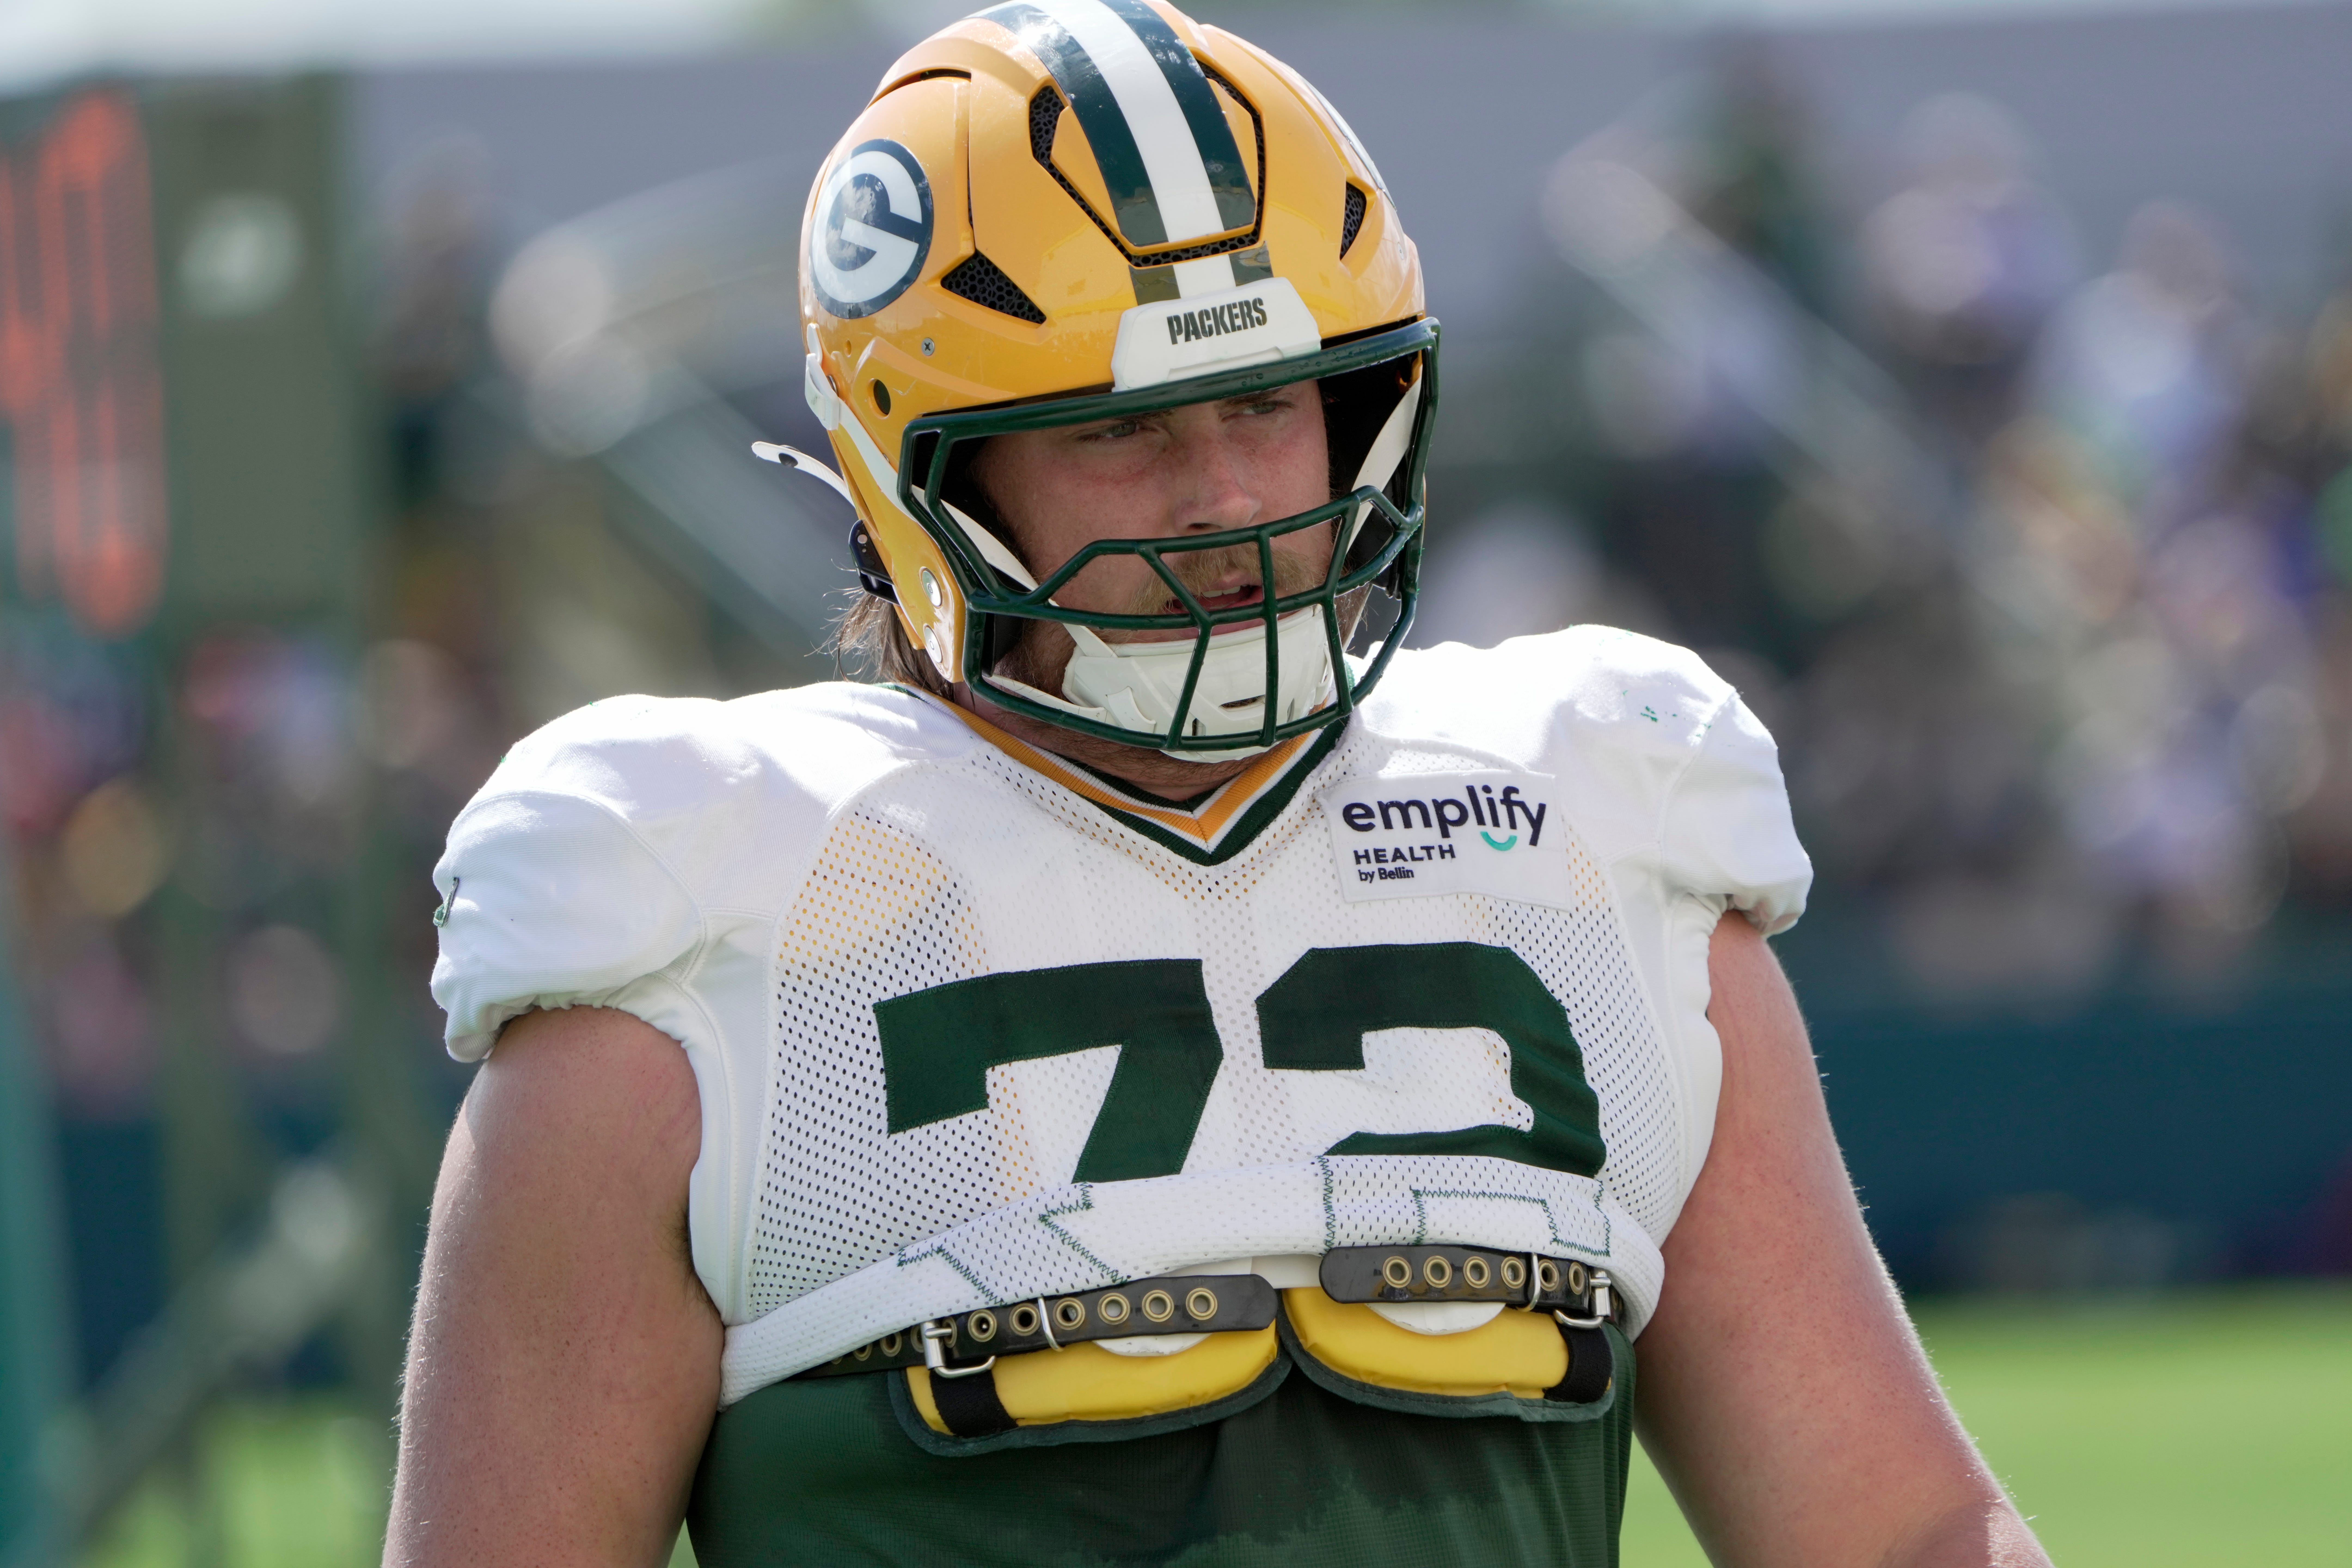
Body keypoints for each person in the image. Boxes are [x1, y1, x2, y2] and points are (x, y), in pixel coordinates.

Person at [385, 4, 2051, 1564]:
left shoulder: (1588, 839)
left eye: (1269, 402)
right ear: (923, 478)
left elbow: (1901, 1534)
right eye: (1123, 431)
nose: (1225, 498)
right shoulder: (697, 935)